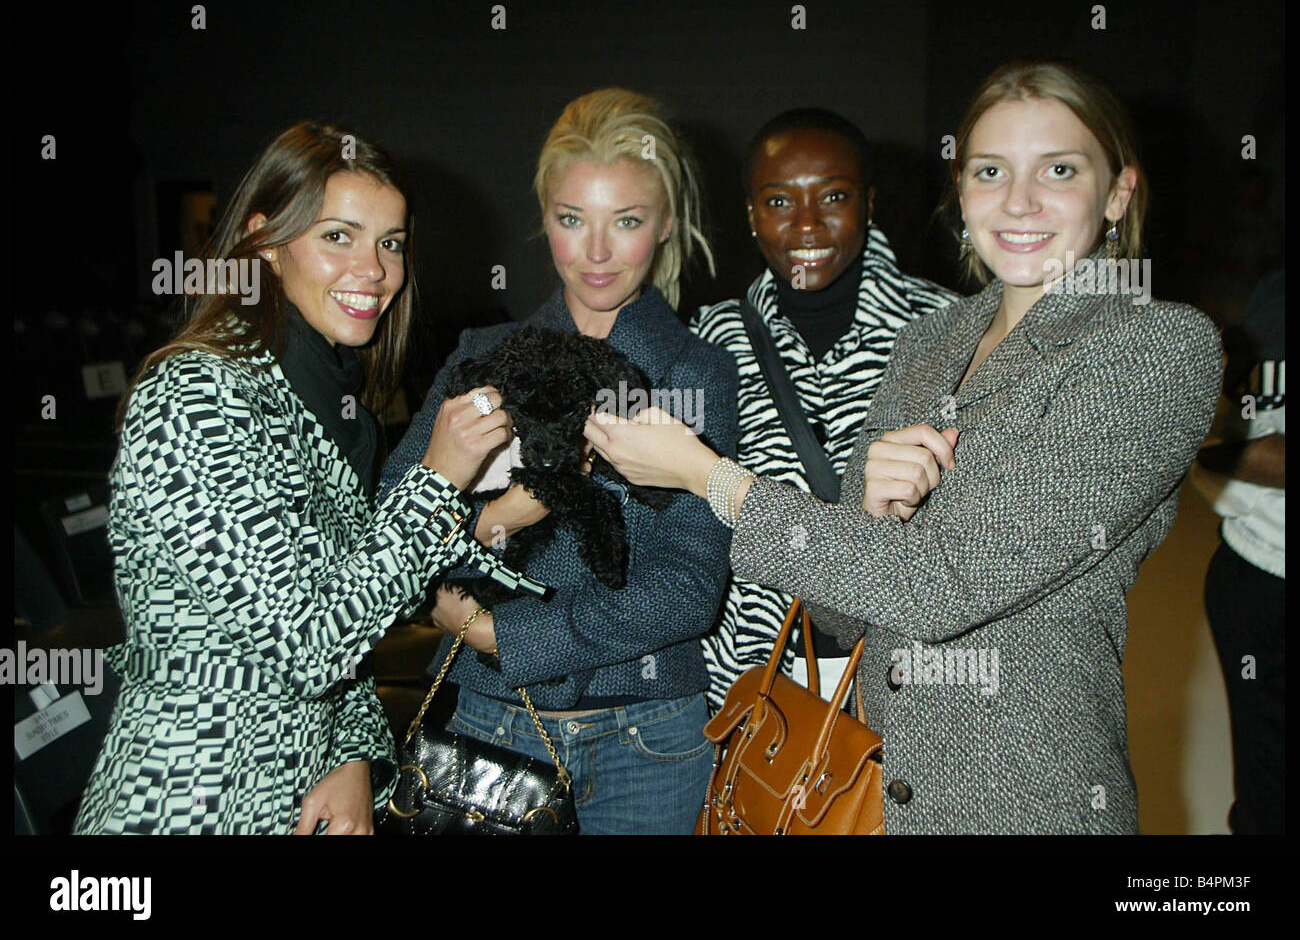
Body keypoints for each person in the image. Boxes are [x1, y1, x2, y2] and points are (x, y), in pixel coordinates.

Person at [587, 60, 1224, 833]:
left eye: (1059, 169)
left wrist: (705, 475)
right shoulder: (930, 341)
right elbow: (845, 613)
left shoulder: (1154, 348)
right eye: (991, 171)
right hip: (877, 795)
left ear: (1118, 192)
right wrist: (868, 508)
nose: (1019, 201)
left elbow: (945, 585)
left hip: (1023, 798)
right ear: (962, 191)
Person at [76, 121, 539, 835]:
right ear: (265, 240)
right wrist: (437, 477)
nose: (375, 269)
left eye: (390, 242)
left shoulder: (326, 402)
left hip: (301, 790)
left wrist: (350, 750)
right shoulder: (197, 397)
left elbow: (349, 613)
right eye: (337, 236)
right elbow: (308, 642)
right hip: (189, 794)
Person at [378, 89, 738, 834]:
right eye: (572, 220)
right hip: (491, 729)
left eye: (627, 221)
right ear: (544, 218)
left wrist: (503, 635)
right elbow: (388, 526)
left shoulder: (693, 373)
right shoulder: (481, 356)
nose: (597, 253)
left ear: (667, 223)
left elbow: (688, 588)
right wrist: (496, 518)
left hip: (649, 739)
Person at [691, 108, 954, 710]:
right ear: (751, 214)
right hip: (751, 682)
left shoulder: (949, 327)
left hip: (907, 675)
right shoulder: (709, 339)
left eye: (833, 196)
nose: (807, 225)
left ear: (868, 201)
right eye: (779, 202)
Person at [1191, 267, 1285, 834]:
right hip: (1251, 567)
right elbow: (1238, 408)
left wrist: (1204, 457)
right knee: (1264, 778)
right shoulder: (1273, 286)